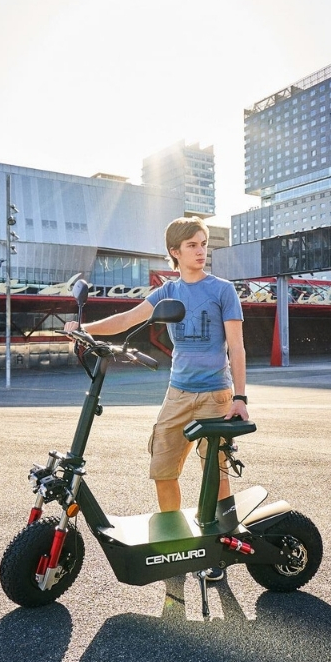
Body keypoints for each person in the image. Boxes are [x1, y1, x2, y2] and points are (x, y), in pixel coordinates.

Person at [65, 216, 248, 580]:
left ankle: (219, 553)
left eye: (203, 244)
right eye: (192, 245)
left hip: (216, 393)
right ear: (174, 252)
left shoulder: (223, 290)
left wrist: (240, 397)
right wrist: (83, 329)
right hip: (177, 393)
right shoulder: (167, 292)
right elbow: (127, 319)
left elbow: (237, 347)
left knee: (216, 474)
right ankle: (177, 546)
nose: (201, 251)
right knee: (163, 468)